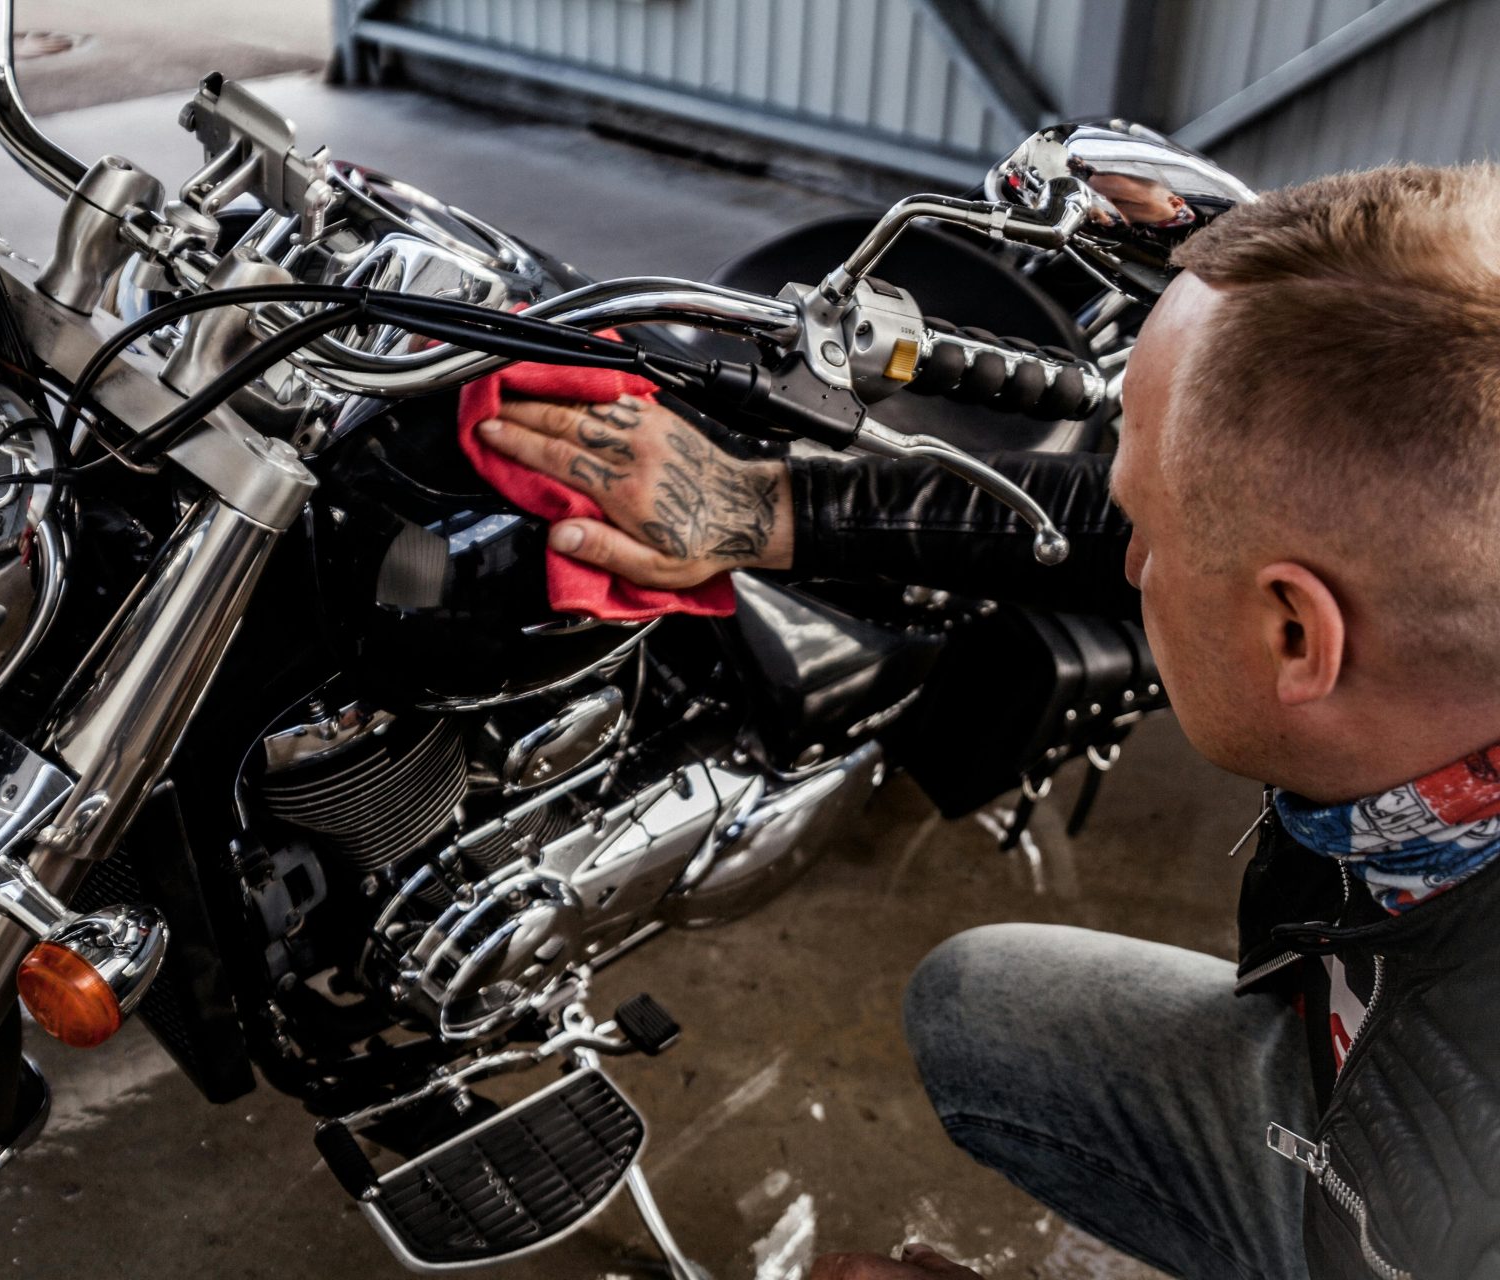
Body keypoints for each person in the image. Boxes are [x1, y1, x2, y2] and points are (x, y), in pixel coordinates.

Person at [477, 164, 1500, 1279]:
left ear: (1297, 635)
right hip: (1383, 1048)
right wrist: (763, 505)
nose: (1127, 559)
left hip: (1410, 1188)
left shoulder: (1460, 1157)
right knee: (976, 1005)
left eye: (1140, 525)